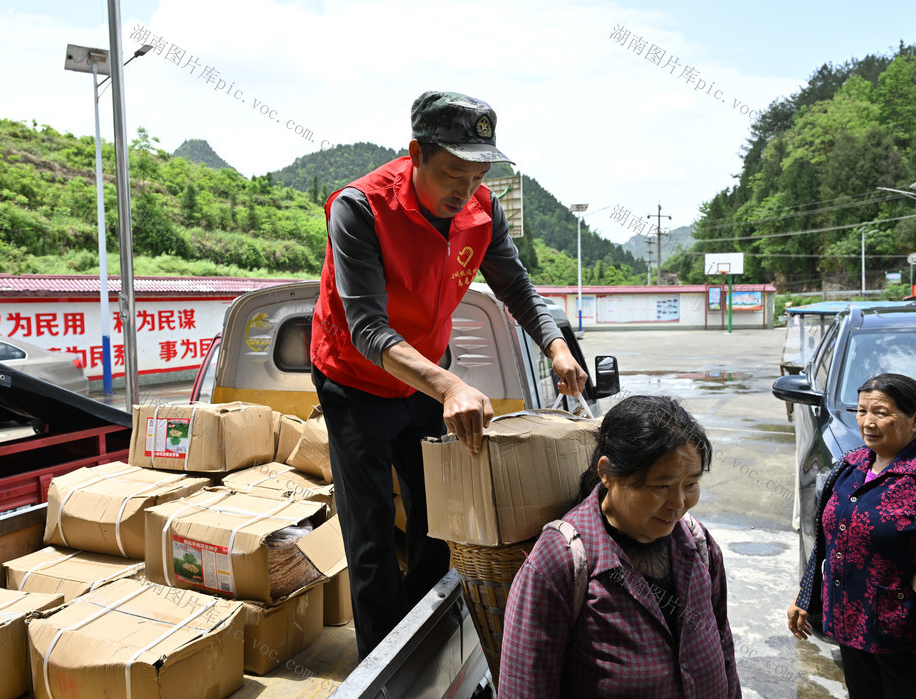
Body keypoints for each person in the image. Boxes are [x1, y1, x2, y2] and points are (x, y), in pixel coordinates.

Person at [309, 90, 588, 658]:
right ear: (415, 153)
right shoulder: (360, 208)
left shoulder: (482, 210)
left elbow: (515, 286)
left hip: (429, 380)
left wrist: (556, 345)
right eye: (451, 173)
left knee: (441, 519)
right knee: (371, 537)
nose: (463, 191)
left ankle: (427, 637)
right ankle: (384, 671)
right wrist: (450, 386)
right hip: (356, 382)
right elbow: (366, 328)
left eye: (477, 173)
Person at [499, 394, 741, 698]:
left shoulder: (698, 545)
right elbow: (524, 688)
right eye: (660, 487)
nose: (679, 504)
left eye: (690, 485)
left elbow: (725, 651)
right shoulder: (560, 562)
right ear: (607, 472)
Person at [787, 373, 916, 698]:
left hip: (903, 636)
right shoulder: (849, 467)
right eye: (861, 411)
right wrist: (806, 598)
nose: (868, 422)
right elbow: (828, 541)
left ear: (915, 420)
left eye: (881, 413)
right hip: (848, 624)